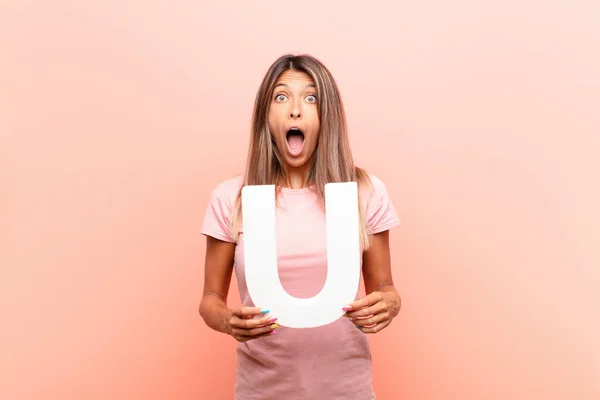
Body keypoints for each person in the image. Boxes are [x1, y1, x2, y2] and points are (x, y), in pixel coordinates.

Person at [199, 53, 401, 400]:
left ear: (328, 116)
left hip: (347, 391)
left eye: (311, 98)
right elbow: (210, 300)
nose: (295, 110)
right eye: (281, 97)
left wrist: (389, 304)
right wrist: (227, 320)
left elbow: (385, 286)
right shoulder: (231, 197)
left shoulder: (366, 192)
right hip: (262, 391)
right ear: (267, 114)